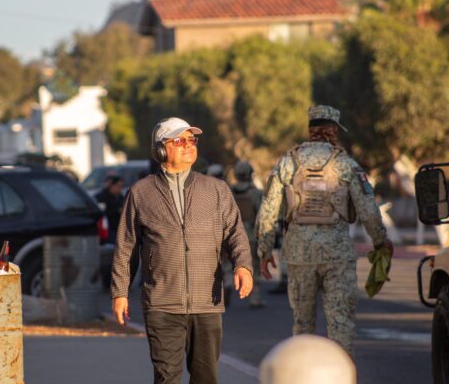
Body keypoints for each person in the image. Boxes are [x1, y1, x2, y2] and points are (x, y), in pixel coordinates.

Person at [111, 116, 254, 384]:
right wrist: (120, 292)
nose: (188, 145)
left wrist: (243, 265)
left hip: (207, 303)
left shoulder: (216, 189)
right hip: (162, 304)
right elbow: (126, 245)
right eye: (180, 140)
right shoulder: (141, 192)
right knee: (167, 378)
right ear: (161, 149)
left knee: (206, 378)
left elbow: (235, 232)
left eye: (191, 140)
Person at [256, 105, 393, 358]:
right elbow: (368, 210)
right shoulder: (345, 164)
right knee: (341, 324)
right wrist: (381, 241)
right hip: (337, 257)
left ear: (311, 130)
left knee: (303, 326)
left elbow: (268, 209)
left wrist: (264, 251)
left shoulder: (288, 163)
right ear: (332, 131)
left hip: (298, 256)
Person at [231, 160, 265, 307]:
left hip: (231, 233)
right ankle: (255, 296)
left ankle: (226, 282)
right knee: (253, 265)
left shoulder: (228, 191)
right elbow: (262, 215)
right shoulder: (255, 193)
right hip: (250, 233)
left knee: (228, 264)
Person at [94, 174, 125, 245]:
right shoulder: (102, 197)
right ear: (112, 186)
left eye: (121, 186)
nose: (120, 188)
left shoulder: (120, 197)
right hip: (108, 228)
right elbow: (101, 213)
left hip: (118, 227)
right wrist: (117, 211)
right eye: (118, 186)